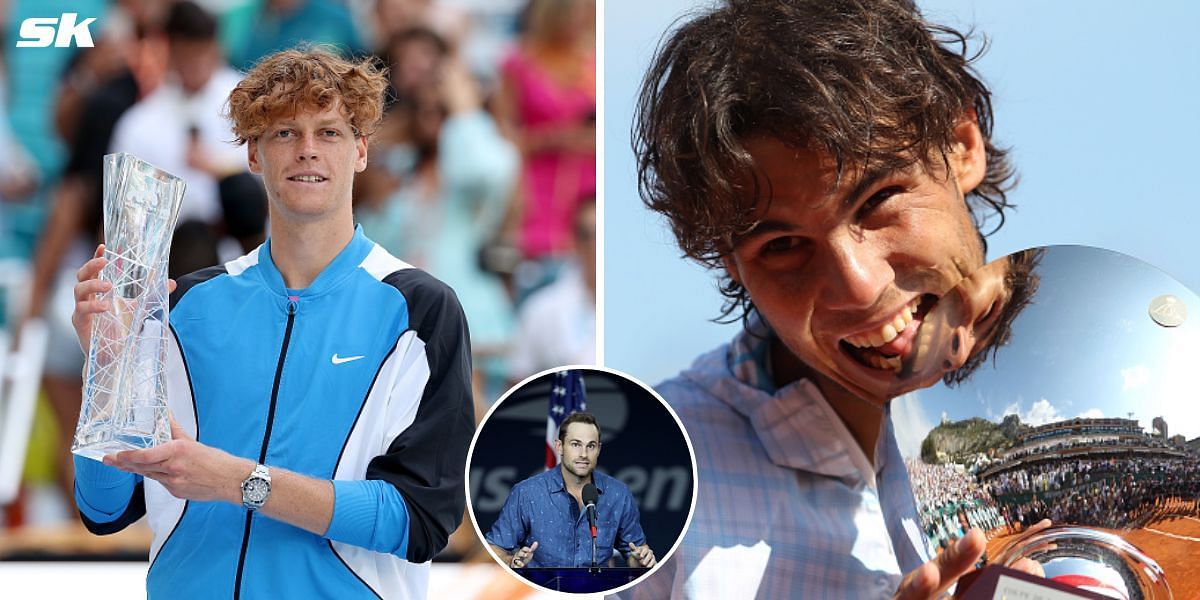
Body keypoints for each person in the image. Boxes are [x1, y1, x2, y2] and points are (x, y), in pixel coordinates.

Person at [625, 0, 1031, 597]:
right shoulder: (645, 478)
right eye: (784, 245)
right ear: (729, 262)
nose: (859, 285)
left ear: (962, 145)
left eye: (878, 200)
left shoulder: (1126, 354)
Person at [70, 47, 473, 599]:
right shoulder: (182, 305)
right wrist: (108, 364)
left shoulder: (419, 309)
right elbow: (104, 508)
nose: (307, 150)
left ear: (360, 150)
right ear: (254, 154)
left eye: (328, 132)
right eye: (284, 133)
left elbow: (420, 519)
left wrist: (238, 482)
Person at [485, 412, 655, 569]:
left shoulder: (619, 494)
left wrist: (640, 559)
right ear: (559, 447)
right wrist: (512, 561)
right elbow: (494, 548)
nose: (583, 454)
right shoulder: (527, 493)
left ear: (599, 450)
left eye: (591, 446)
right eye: (575, 444)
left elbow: (635, 553)